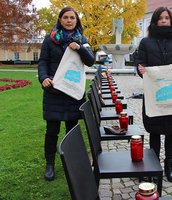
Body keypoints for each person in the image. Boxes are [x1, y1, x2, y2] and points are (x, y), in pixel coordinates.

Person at [135, 6, 172, 182]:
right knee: (154, 131)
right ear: (155, 21)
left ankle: (169, 166)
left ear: (171, 20)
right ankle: (154, 165)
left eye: (167, 18)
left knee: (171, 132)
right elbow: (139, 63)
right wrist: (140, 69)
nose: (164, 21)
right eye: (160, 18)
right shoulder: (146, 42)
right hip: (155, 94)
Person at [38, 6, 95, 181]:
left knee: (72, 131)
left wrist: (79, 48)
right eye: (66, 17)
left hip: (72, 93)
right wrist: (43, 78)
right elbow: (43, 62)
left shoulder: (82, 39)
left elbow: (90, 61)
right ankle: (50, 164)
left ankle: (73, 163)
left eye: (72, 18)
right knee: (52, 130)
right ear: (60, 20)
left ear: (76, 20)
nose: (69, 20)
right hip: (53, 91)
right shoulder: (50, 39)